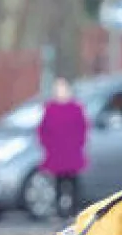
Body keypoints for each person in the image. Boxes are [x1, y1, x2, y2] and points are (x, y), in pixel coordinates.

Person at [38, 77, 89, 217]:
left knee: (73, 183)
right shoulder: (50, 109)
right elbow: (43, 130)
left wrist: (78, 144)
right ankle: (61, 211)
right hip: (57, 153)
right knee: (59, 183)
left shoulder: (76, 108)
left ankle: (73, 209)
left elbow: (82, 128)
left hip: (71, 152)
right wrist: (48, 146)